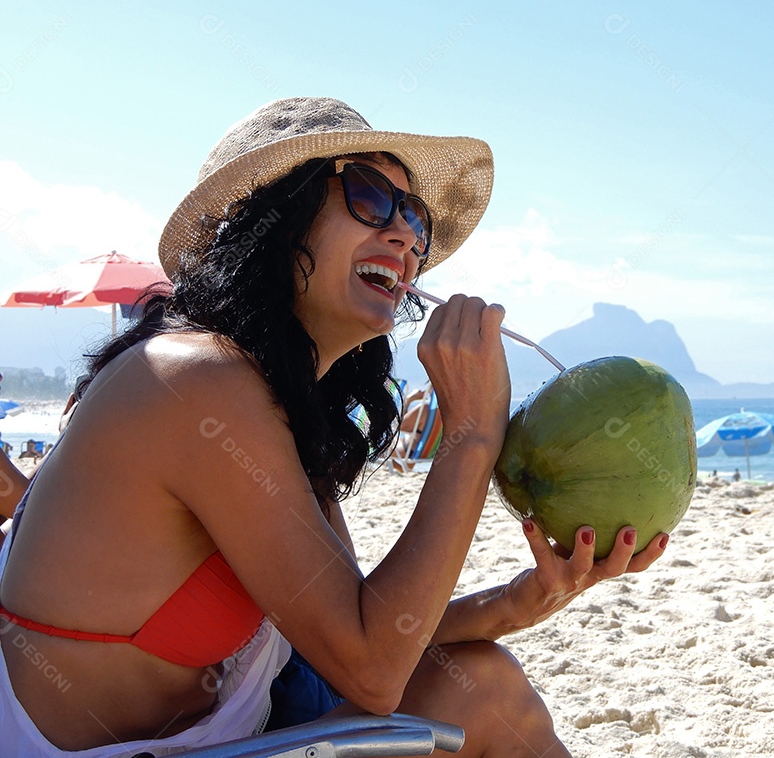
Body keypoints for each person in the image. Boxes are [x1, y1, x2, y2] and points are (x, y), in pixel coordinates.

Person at [0, 97, 667, 756]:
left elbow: (365, 629)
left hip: (228, 738)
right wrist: (471, 434)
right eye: (371, 197)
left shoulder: (276, 406)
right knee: (486, 695)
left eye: (415, 218)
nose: (406, 236)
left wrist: (525, 599)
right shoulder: (194, 382)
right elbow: (371, 670)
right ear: (271, 221)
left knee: (486, 683)